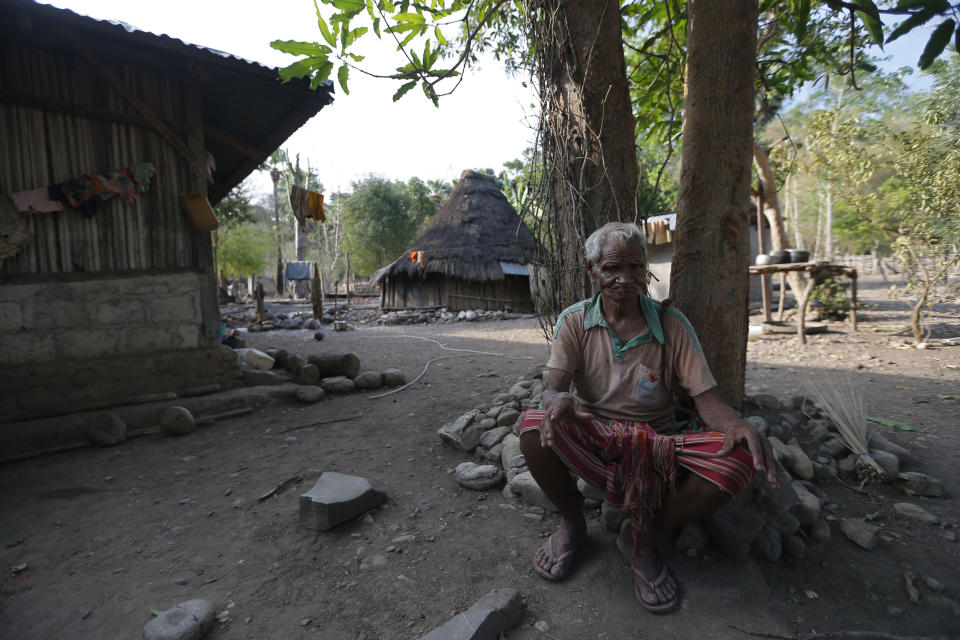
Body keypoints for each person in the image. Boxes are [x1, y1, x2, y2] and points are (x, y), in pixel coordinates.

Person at [519, 221, 778, 613]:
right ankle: (573, 524)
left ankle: (639, 536)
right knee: (535, 426)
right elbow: (554, 387)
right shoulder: (575, 320)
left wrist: (735, 424)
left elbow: (707, 403)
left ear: (645, 270)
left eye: (635, 268)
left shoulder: (672, 325)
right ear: (592, 271)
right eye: (611, 269)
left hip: (659, 445)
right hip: (597, 435)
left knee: (739, 459)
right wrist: (558, 401)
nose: (625, 279)